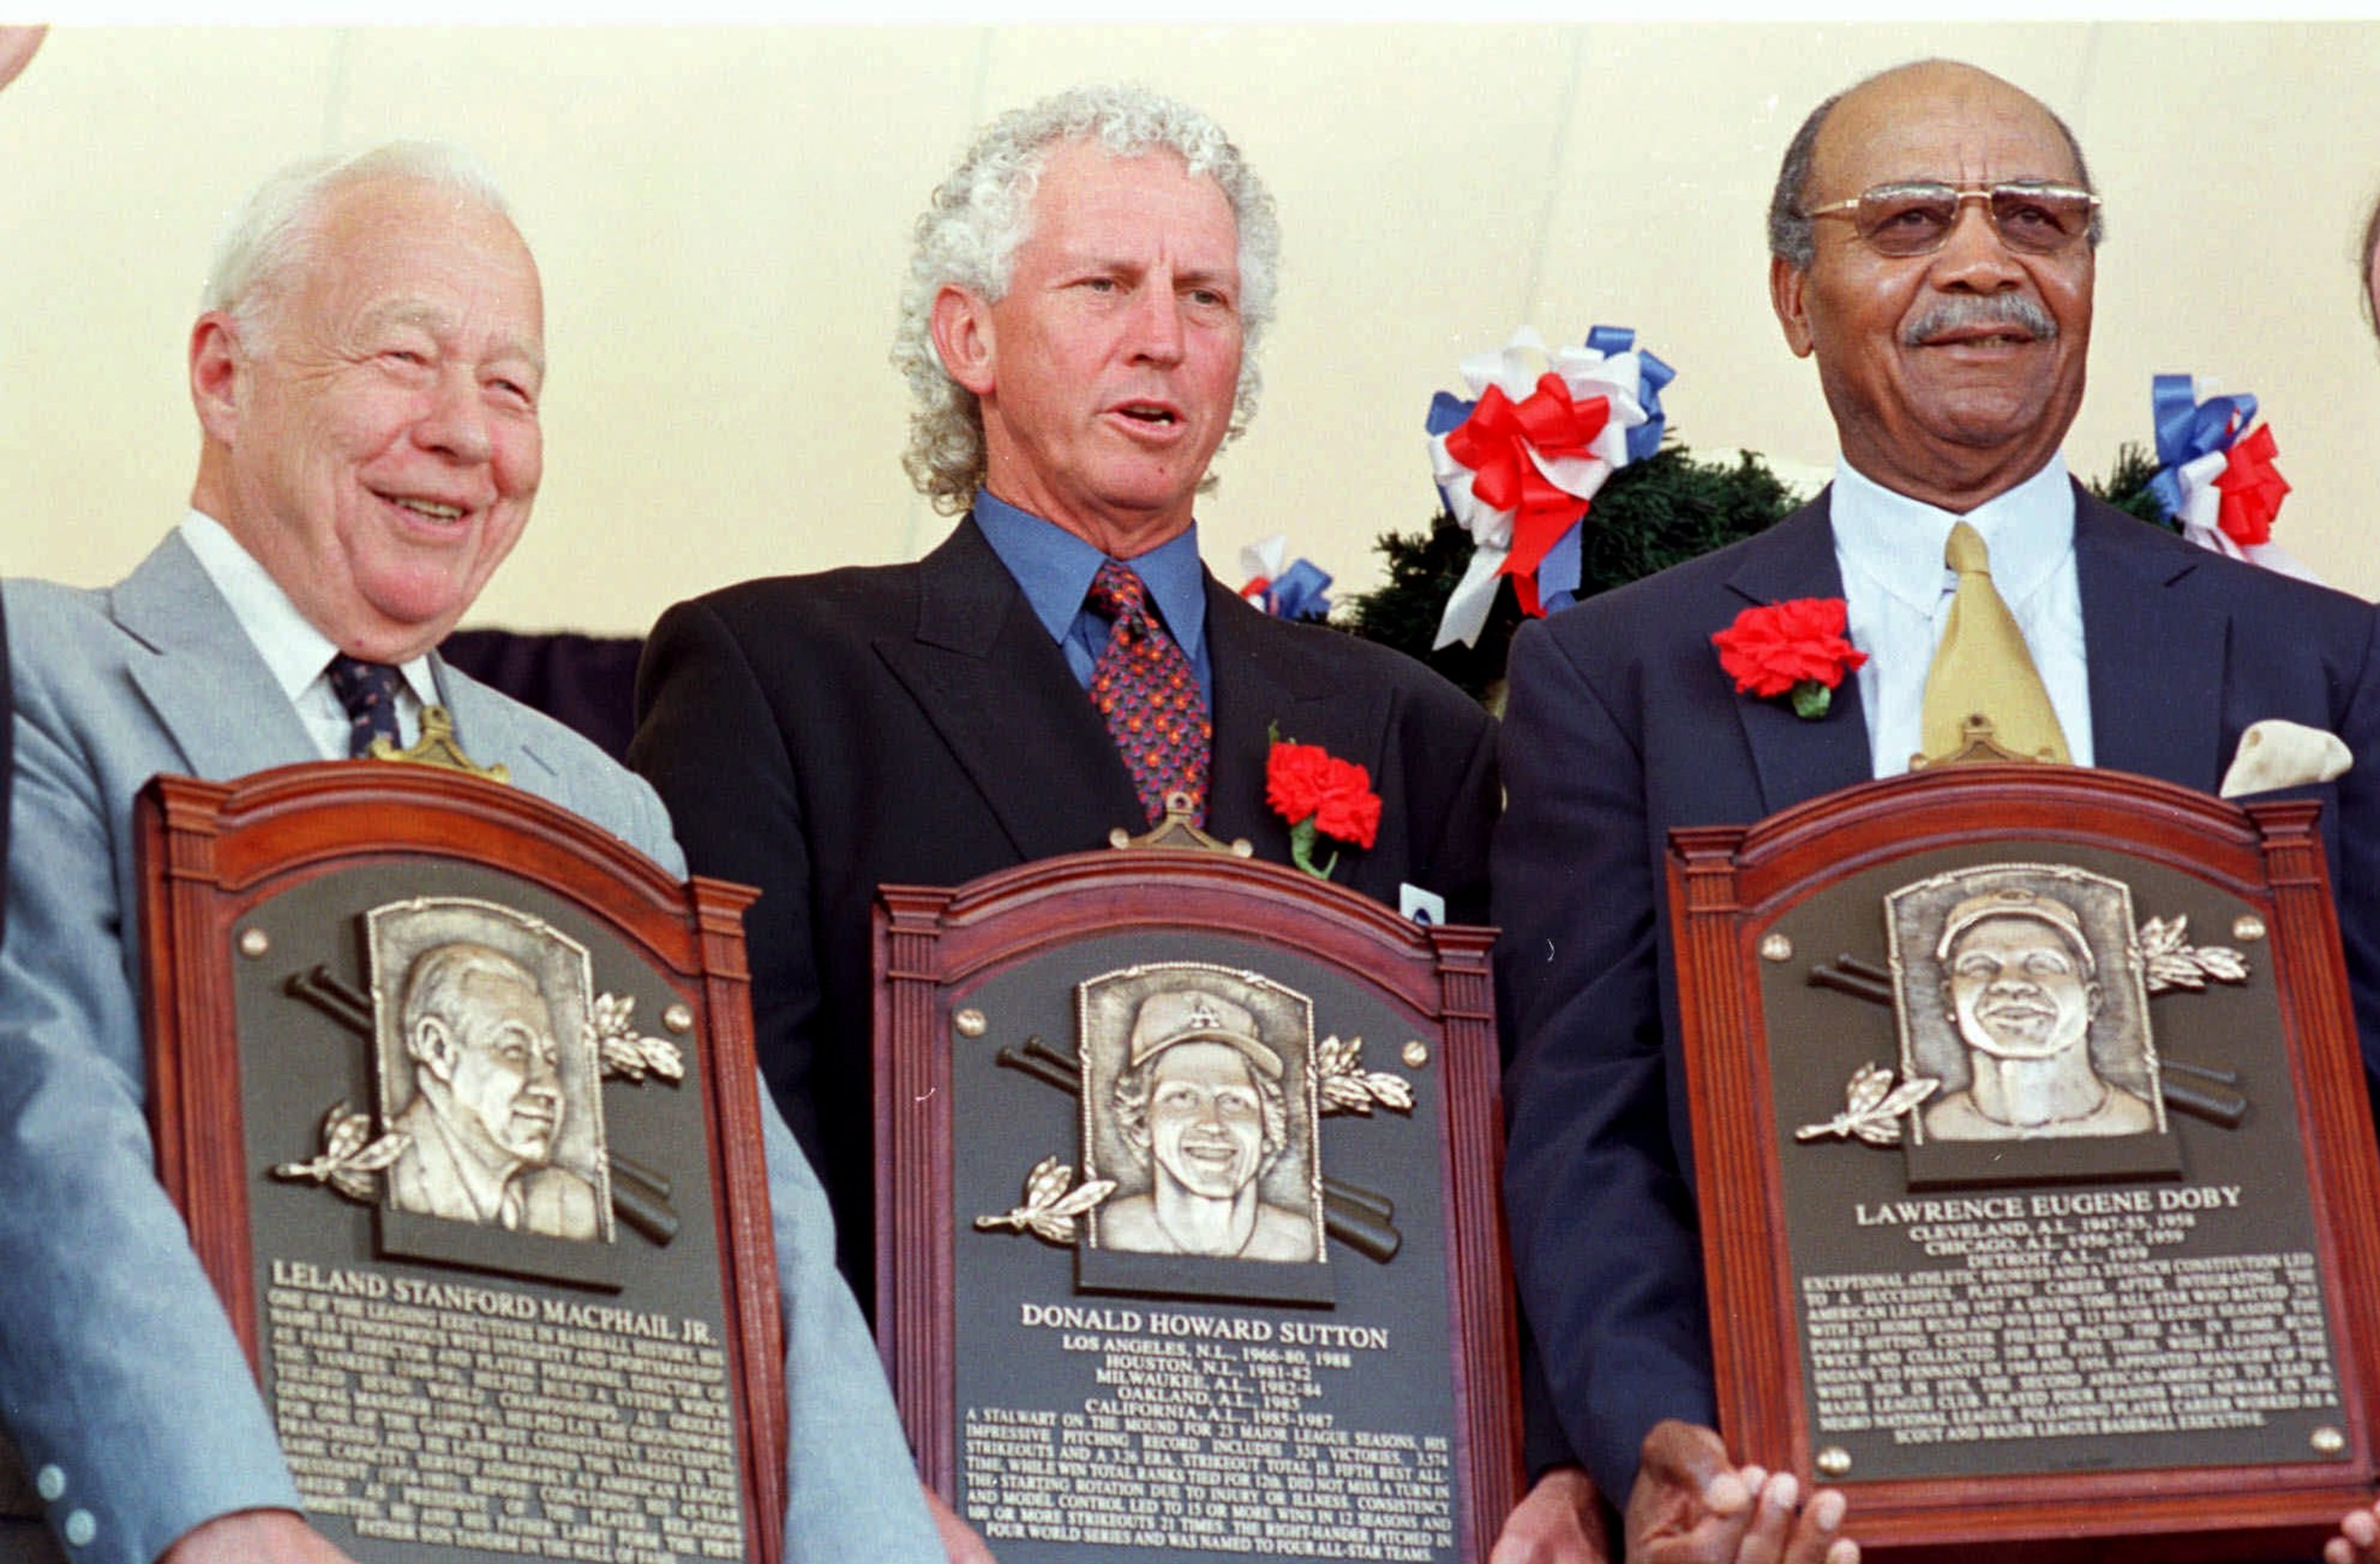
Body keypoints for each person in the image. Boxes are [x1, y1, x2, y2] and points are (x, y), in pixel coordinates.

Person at [632, 83, 1600, 1564]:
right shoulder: (777, 676)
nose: (1163, 335)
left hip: (1360, 1503)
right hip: (954, 1511)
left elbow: (1518, 1147)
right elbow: (733, 1154)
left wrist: (1541, 1463)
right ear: (968, 337)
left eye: (1204, 297)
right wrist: (846, 1487)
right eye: (1104, 286)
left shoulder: (1405, 725)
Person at [0, 143, 942, 1564]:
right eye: (403, 356)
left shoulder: (600, 800)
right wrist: (211, 1505)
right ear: (221, 372)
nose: (465, 432)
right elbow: (39, 1116)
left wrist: (872, 1538)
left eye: (512, 386)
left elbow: (756, 1230)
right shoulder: (46, 673)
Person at [1493, 58, 2380, 1564]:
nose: (1982, 262)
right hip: (1808, 1510)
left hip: (2253, 1500)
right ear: (1792, 297)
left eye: (2035, 216)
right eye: (1905, 222)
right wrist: (1660, 1440)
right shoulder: (1609, 676)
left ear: (2088, 267)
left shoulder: (2320, 657)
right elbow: (1584, 1125)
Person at [384, 943, 601, 1240]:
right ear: (438, 1049)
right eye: (514, 1050)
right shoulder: (389, 1175)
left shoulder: (571, 1207)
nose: (550, 1088)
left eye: (550, 1060)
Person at [1098, 987, 1316, 1262]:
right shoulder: (1116, 1231)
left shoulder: (1295, 1242)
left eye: (1234, 1101)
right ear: (1140, 1124)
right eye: (1182, 1098)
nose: (1212, 1123)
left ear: (1267, 1129)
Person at [1920, 887, 2153, 1141]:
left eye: (2043, 964)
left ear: (2092, 999)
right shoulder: (1939, 1126)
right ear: (1949, 1001)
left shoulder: (2133, 1121)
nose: (2010, 982)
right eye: (1979, 966)